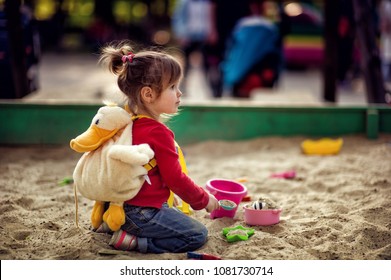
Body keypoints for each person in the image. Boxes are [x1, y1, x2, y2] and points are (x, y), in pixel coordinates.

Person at [97, 40, 219, 253]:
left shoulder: (125, 122)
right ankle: (135, 241)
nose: (179, 93)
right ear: (148, 94)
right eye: (172, 87)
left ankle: (119, 227)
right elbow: (176, 179)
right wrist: (204, 199)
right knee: (197, 234)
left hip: (118, 205)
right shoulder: (158, 133)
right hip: (141, 213)